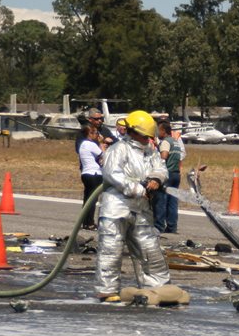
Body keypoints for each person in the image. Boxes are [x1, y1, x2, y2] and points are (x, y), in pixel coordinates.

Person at [95, 110, 171, 302]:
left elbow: (161, 168)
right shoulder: (119, 149)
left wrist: (156, 179)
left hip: (141, 209)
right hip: (116, 208)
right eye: (145, 136)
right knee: (111, 249)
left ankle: (157, 287)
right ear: (134, 132)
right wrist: (137, 188)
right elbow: (113, 174)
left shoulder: (150, 152)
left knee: (149, 248)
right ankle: (108, 290)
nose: (148, 140)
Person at [153, 119, 183, 234]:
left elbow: (164, 156)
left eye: (158, 130)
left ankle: (159, 226)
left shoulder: (165, 142)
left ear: (163, 131)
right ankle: (172, 226)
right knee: (173, 201)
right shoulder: (175, 142)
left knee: (161, 200)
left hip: (167, 174)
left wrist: (158, 153)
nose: (157, 133)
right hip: (176, 174)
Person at [78, 121, 105, 229]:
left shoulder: (83, 144)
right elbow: (103, 154)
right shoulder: (91, 144)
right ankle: (89, 223)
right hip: (94, 173)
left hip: (85, 173)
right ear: (90, 134)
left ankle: (85, 221)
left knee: (87, 199)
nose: (97, 136)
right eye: (95, 134)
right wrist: (101, 143)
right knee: (93, 199)